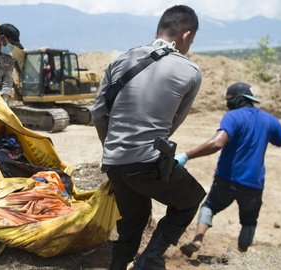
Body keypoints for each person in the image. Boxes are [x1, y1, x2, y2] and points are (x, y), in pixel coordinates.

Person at [91, 5, 202, 270]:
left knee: (133, 220)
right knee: (190, 199)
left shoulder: (121, 60)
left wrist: (114, 147)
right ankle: (150, 259)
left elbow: (97, 112)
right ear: (186, 36)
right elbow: (173, 123)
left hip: (114, 162)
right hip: (148, 162)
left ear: (158, 30)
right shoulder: (190, 71)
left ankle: (119, 265)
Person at [176, 82, 281, 257]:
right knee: (249, 222)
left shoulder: (232, 117)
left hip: (226, 179)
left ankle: (198, 240)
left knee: (209, 207)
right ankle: (241, 258)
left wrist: (186, 155)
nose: (227, 104)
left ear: (238, 99)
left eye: (229, 100)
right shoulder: (269, 120)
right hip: (253, 184)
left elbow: (217, 143)